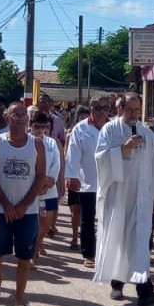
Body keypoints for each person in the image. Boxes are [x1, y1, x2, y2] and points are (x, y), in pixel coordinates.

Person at [93, 93, 154, 306]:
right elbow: (100, 160)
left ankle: (144, 290)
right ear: (120, 109)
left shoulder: (147, 134)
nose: (133, 114)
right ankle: (117, 283)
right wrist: (123, 149)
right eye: (129, 110)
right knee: (119, 240)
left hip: (141, 197)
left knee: (140, 242)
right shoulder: (109, 130)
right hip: (118, 196)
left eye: (137, 110)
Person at [0, 102, 45, 306]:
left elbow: (40, 176)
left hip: (27, 211)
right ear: (7, 118)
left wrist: (24, 205)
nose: (20, 118)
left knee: (25, 256)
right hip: (1, 210)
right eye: (15, 114)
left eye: (23, 115)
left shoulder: (36, 144)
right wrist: (7, 205)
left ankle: (19, 296)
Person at [65, 96, 112, 268]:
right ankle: (88, 254)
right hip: (88, 183)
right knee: (87, 220)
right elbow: (73, 153)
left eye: (105, 108)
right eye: (98, 108)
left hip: (110, 182)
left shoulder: (113, 127)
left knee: (108, 220)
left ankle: (107, 252)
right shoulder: (81, 128)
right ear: (91, 108)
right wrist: (72, 176)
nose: (101, 111)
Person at [30, 111, 64, 265]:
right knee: (31, 223)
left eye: (44, 127)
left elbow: (56, 164)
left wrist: (48, 182)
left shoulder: (51, 143)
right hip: (30, 192)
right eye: (37, 126)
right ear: (30, 125)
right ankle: (32, 252)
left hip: (47, 192)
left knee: (45, 223)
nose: (41, 130)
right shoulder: (25, 142)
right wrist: (37, 184)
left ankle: (38, 245)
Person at [64, 105, 89, 249]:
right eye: (81, 117)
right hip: (75, 176)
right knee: (75, 209)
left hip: (89, 178)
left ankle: (83, 236)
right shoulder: (71, 133)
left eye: (86, 117)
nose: (84, 120)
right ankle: (74, 236)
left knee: (86, 211)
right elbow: (67, 155)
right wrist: (68, 176)